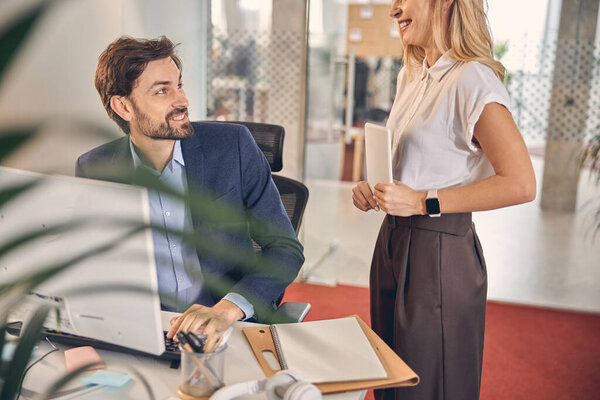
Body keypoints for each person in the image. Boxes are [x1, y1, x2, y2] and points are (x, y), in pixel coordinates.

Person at [351, 1, 536, 399]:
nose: (393, 9)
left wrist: (422, 202)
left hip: (438, 249)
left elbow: (521, 183)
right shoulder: (412, 74)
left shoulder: (473, 79)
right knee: (390, 379)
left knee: (430, 386)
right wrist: (376, 188)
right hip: (392, 241)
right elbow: (417, 167)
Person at [76, 36, 304, 347]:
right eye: (162, 90)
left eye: (178, 85)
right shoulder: (97, 168)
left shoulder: (233, 146)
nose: (182, 100)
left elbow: (285, 250)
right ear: (123, 106)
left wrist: (227, 309)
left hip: (228, 327)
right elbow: (93, 267)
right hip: (146, 332)